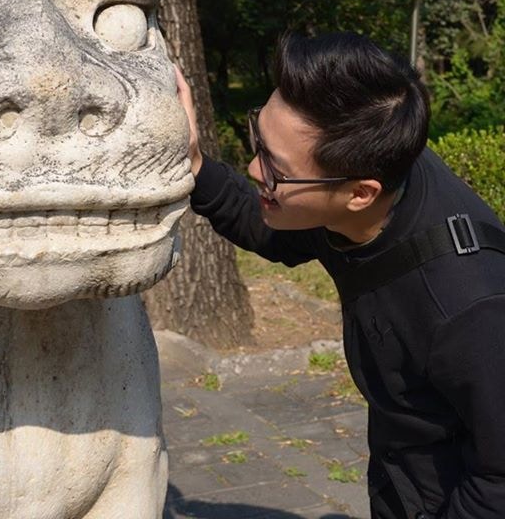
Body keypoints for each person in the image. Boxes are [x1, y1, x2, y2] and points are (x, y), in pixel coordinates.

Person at [176, 32, 505, 519]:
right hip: (399, 473)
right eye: (258, 140)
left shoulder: (468, 308)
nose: (253, 168)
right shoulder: (366, 168)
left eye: (275, 168)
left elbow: (499, 481)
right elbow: (270, 229)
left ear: (359, 194)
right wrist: (195, 163)